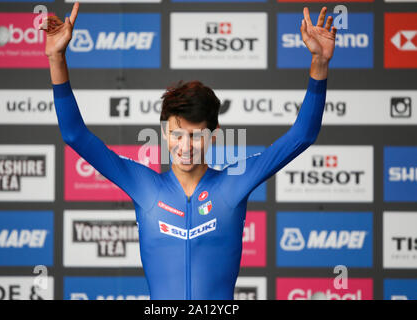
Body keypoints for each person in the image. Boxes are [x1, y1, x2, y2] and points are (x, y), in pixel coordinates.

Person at [41, 2, 337, 300]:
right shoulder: (143, 185)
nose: (184, 147)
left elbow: (303, 134)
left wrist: (319, 65)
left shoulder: (234, 183)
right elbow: (75, 134)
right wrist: (56, 58)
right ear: (164, 133)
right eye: (176, 135)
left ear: (214, 135)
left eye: (195, 136)